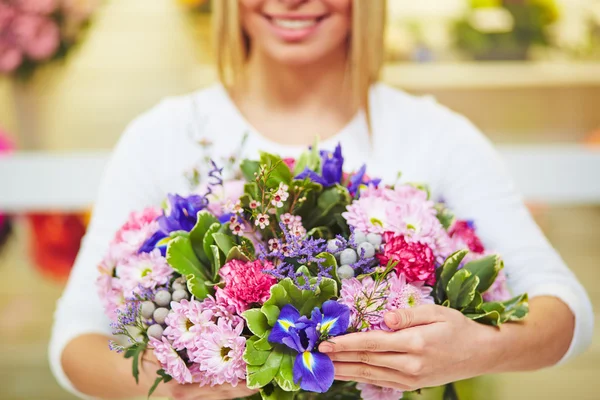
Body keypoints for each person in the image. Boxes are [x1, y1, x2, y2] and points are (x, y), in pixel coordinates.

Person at [50, 0, 594, 399]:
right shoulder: (166, 134)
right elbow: (76, 339)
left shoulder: (436, 134)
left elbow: (567, 310)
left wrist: (480, 347)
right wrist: (173, 392)